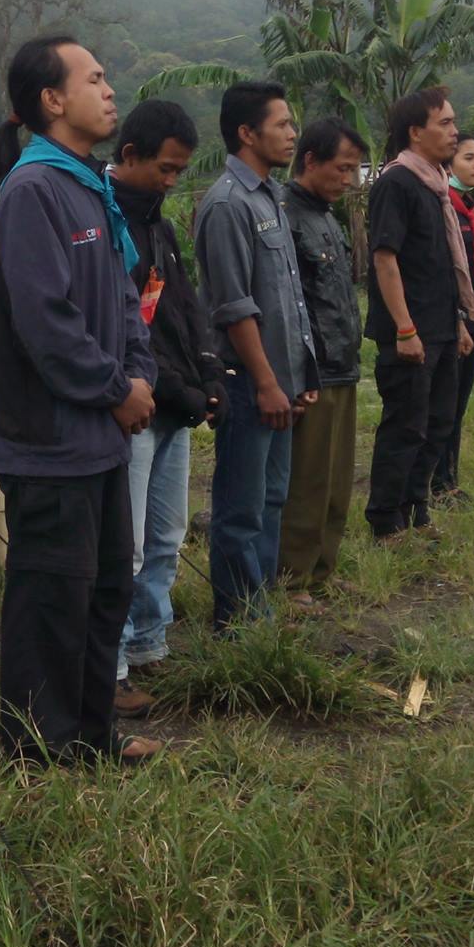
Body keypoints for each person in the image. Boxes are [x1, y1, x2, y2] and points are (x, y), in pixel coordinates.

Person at [0, 35, 163, 767]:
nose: (109, 89)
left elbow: (122, 298)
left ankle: (92, 738)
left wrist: (139, 374)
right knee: (51, 600)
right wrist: (117, 389)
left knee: (106, 589)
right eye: (94, 77)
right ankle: (37, 751)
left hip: (98, 436)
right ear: (53, 100)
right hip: (48, 440)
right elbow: (45, 320)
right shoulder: (33, 191)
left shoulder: (88, 185)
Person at [106, 99, 221, 715]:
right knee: (125, 543)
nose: (173, 181)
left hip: (172, 404)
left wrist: (208, 375)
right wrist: (178, 388)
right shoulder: (108, 219)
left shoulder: (161, 224)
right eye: (166, 169)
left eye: (180, 171)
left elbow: (182, 309)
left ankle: (150, 642)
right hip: (137, 402)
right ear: (129, 157)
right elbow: (133, 326)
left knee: (167, 535)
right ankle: (113, 662)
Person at [193, 81, 318, 630]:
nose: (293, 133)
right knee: (240, 509)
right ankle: (239, 621)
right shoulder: (226, 204)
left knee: (271, 499)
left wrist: (301, 375)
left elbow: (289, 299)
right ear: (247, 133)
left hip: (281, 380)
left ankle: (261, 606)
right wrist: (267, 382)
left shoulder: (270, 195)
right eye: (282, 124)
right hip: (249, 382)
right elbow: (234, 308)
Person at [363, 86, 474, 541]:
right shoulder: (397, 183)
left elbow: (439, 264)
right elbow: (385, 259)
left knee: (437, 424)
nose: (454, 132)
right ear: (415, 132)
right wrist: (405, 329)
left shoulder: (434, 185)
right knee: (404, 427)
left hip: (441, 328)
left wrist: (457, 323)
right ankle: (385, 520)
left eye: (453, 122)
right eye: (445, 124)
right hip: (409, 334)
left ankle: (417, 510)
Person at [278, 117, 366, 596]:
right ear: (310, 160)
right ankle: (292, 583)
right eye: (342, 168)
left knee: (336, 484)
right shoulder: (283, 214)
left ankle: (321, 573)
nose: (348, 180)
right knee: (306, 486)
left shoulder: (326, 216)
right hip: (310, 372)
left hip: (342, 367)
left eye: (353, 170)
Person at [430, 133, 474, 505]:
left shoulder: (470, 210)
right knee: (442, 408)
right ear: (449, 164)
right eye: (469, 158)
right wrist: (459, 322)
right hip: (450, 323)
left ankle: (449, 482)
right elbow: (447, 274)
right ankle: (437, 485)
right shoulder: (445, 211)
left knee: (457, 407)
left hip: (472, 321)